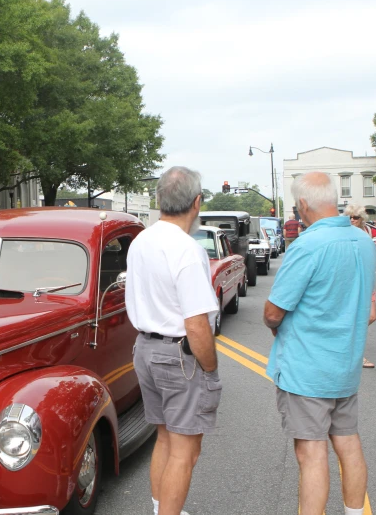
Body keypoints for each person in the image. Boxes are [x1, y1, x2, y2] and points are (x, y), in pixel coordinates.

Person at [263, 172, 376, 515]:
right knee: (348, 443)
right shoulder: (364, 242)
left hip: (307, 370)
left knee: (311, 454)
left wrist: (277, 325)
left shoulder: (307, 246)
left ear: (301, 205)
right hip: (346, 364)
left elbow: (272, 312)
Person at [126, 166, 220, 515]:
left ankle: (161, 508)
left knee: (164, 438)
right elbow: (196, 324)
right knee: (185, 450)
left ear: (159, 200)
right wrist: (210, 369)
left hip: (146, 349)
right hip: (178, 357)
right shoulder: (187, 249)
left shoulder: (141, 241)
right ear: (196, 203)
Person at [345, 204, 376, 369]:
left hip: (367, 279)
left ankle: (346, 343)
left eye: (355, 217)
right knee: (356, 317)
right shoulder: (344, 234)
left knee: (371, 316)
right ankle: (355, 354)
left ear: (362, 219)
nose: (352, 220)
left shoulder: (367, 233)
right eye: (349, 217)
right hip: (350, 281)